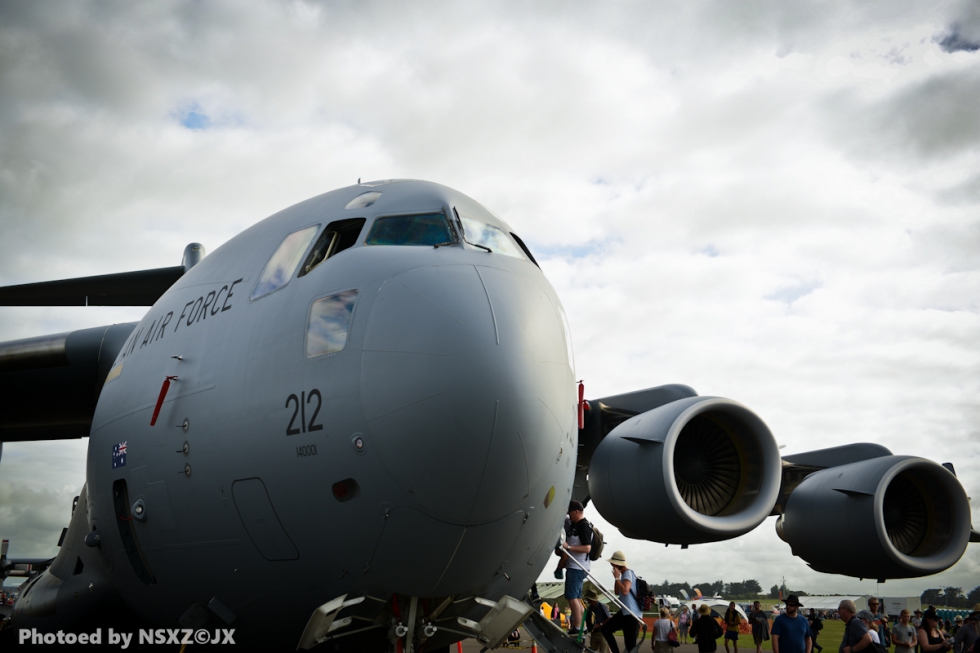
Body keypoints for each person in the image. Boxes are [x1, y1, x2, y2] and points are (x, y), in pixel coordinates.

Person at [559, 500, 593, 634]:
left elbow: (587, 548)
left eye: (570, 513)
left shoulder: (583, 526)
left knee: (571, 596)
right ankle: (582, 626)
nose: (570, 516)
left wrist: (569, 547)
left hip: (577, 566)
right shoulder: (578, 525)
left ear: (576, 512)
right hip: (578, 566)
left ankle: (578, 626)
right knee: (577, 598)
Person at [600, 550, 641, 653]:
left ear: (618, 564)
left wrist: (617, 577)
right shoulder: (623, 575)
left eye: (613, 564)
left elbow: (625, 591)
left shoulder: (627, 573)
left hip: (631, 613)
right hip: (625, 612)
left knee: (630, 645)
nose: (611, 566)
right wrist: (616, 578)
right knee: (606, 629)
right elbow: (618, 592)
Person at [584, 586, 611, 653]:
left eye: (588, 598)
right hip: (594, 633)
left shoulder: (601, 606)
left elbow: (609, 617)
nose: (586, 599)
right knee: (592, 651)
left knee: (603, 651)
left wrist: (600, 624)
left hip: (602, 633)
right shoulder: (590, 608)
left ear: (591, 599)